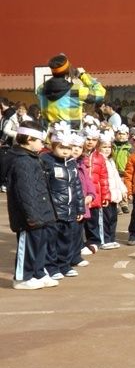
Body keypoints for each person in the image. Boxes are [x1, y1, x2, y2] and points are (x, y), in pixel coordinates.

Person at [5, 122, 59, 290]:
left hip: (41, 211)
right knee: (28, 245)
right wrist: (32, 216)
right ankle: (22, 277)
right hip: (28, 215)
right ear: (29, 139)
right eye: (40, 141)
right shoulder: (21, 161)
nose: (43, 144)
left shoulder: (33, 158)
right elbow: (25, 192)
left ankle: (38, 272)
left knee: (40, 244)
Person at [41, 125, 86, 279]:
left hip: (70, 210)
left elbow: (77, 187)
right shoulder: (46, 161)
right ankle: (51, 267)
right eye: (61, 147)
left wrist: (80, 208)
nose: (66, 151)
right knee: (52, 240)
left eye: (68, 148)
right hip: (54, 210)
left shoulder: (72, 163)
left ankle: (64, 265)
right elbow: (43, 187)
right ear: (53, 146)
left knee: (67, 239)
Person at [35, 53, 106, 129]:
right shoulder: (76, 90)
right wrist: (82, 75)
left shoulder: (41, 89)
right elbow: (100, 94)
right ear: (68, 71)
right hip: (71, 134)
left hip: (49, 134)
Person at [80, 125, 110, 253]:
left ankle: (94, 242)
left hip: (95, 196)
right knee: (80, 221)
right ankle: (79, 244)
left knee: (93, 221)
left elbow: (104, 177)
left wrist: (106, 195)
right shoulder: (77, 154)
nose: (90, 142)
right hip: (81, 194)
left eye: (94, 139)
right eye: (88, 139)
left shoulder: (100, 157)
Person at [98, 130, 126, 249]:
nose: (107, 149)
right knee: (104, 218)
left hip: (114, 195)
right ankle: (104, 239)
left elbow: (116, 177)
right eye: (104, 147)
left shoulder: (111, 161)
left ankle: (111, 238)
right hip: (104, 195)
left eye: (109, 147)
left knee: (113, 218)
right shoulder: (98, 160)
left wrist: (123, 190)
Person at [112, 124, 133, 213]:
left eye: (123, 134)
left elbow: (131, 159)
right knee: (115, 187)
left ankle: (124, 203)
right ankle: (116, 204)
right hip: (114, 171)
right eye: (119, 134)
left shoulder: (129, 148)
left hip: (124, 171)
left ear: (127, 135)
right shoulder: (112, 146)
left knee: (124, 188)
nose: (121, 136)